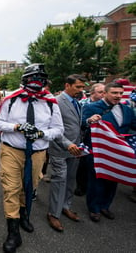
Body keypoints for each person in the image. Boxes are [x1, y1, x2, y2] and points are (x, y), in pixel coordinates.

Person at [0, 63, 63, 253]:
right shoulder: (11, 99)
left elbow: (58, 129)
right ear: (25, 79)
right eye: (33, 78)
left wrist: (41, 134)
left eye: (40, 79)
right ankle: (13, 232)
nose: (36, 82)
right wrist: (17, 127)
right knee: (11, 188)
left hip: (38, 152)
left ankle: (23, 214)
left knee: (29, 186)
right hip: (12, 150)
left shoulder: (50, 101)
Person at [82, 82, 136, 222]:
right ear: (105, 93)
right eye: (114, 93)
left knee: (113, 181)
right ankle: (94, 209)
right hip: (98, 152)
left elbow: (133, 126)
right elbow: (82, 123)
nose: (118, 96)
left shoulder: (127, 110)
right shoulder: (91, 107)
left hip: (118, 154)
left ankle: (105, 206)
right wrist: (89, 121)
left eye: (120, 93)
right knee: (96, 181)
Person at [47, 74, 86, 232]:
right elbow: (52, 127)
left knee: (71, 180)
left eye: (83, 87)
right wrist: (67, 144)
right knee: (59, 180)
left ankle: (66, 206)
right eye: (78, 87)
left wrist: (88, 122)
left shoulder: (77, 102)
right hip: (59, 149)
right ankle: (53, 214)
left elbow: (75, 123)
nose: (81, 90)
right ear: (67, 85)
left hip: (75, 150)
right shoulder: (56, 102)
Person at [75, 83, 105, 196]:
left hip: (99, 140)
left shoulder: (107, 107)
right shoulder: (82, 104)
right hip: (84, 137)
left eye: (104, 92)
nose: (103, 95)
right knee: (83, 163)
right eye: (100, 92)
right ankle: (80, 186)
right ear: (92, 93)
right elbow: (79, 122)